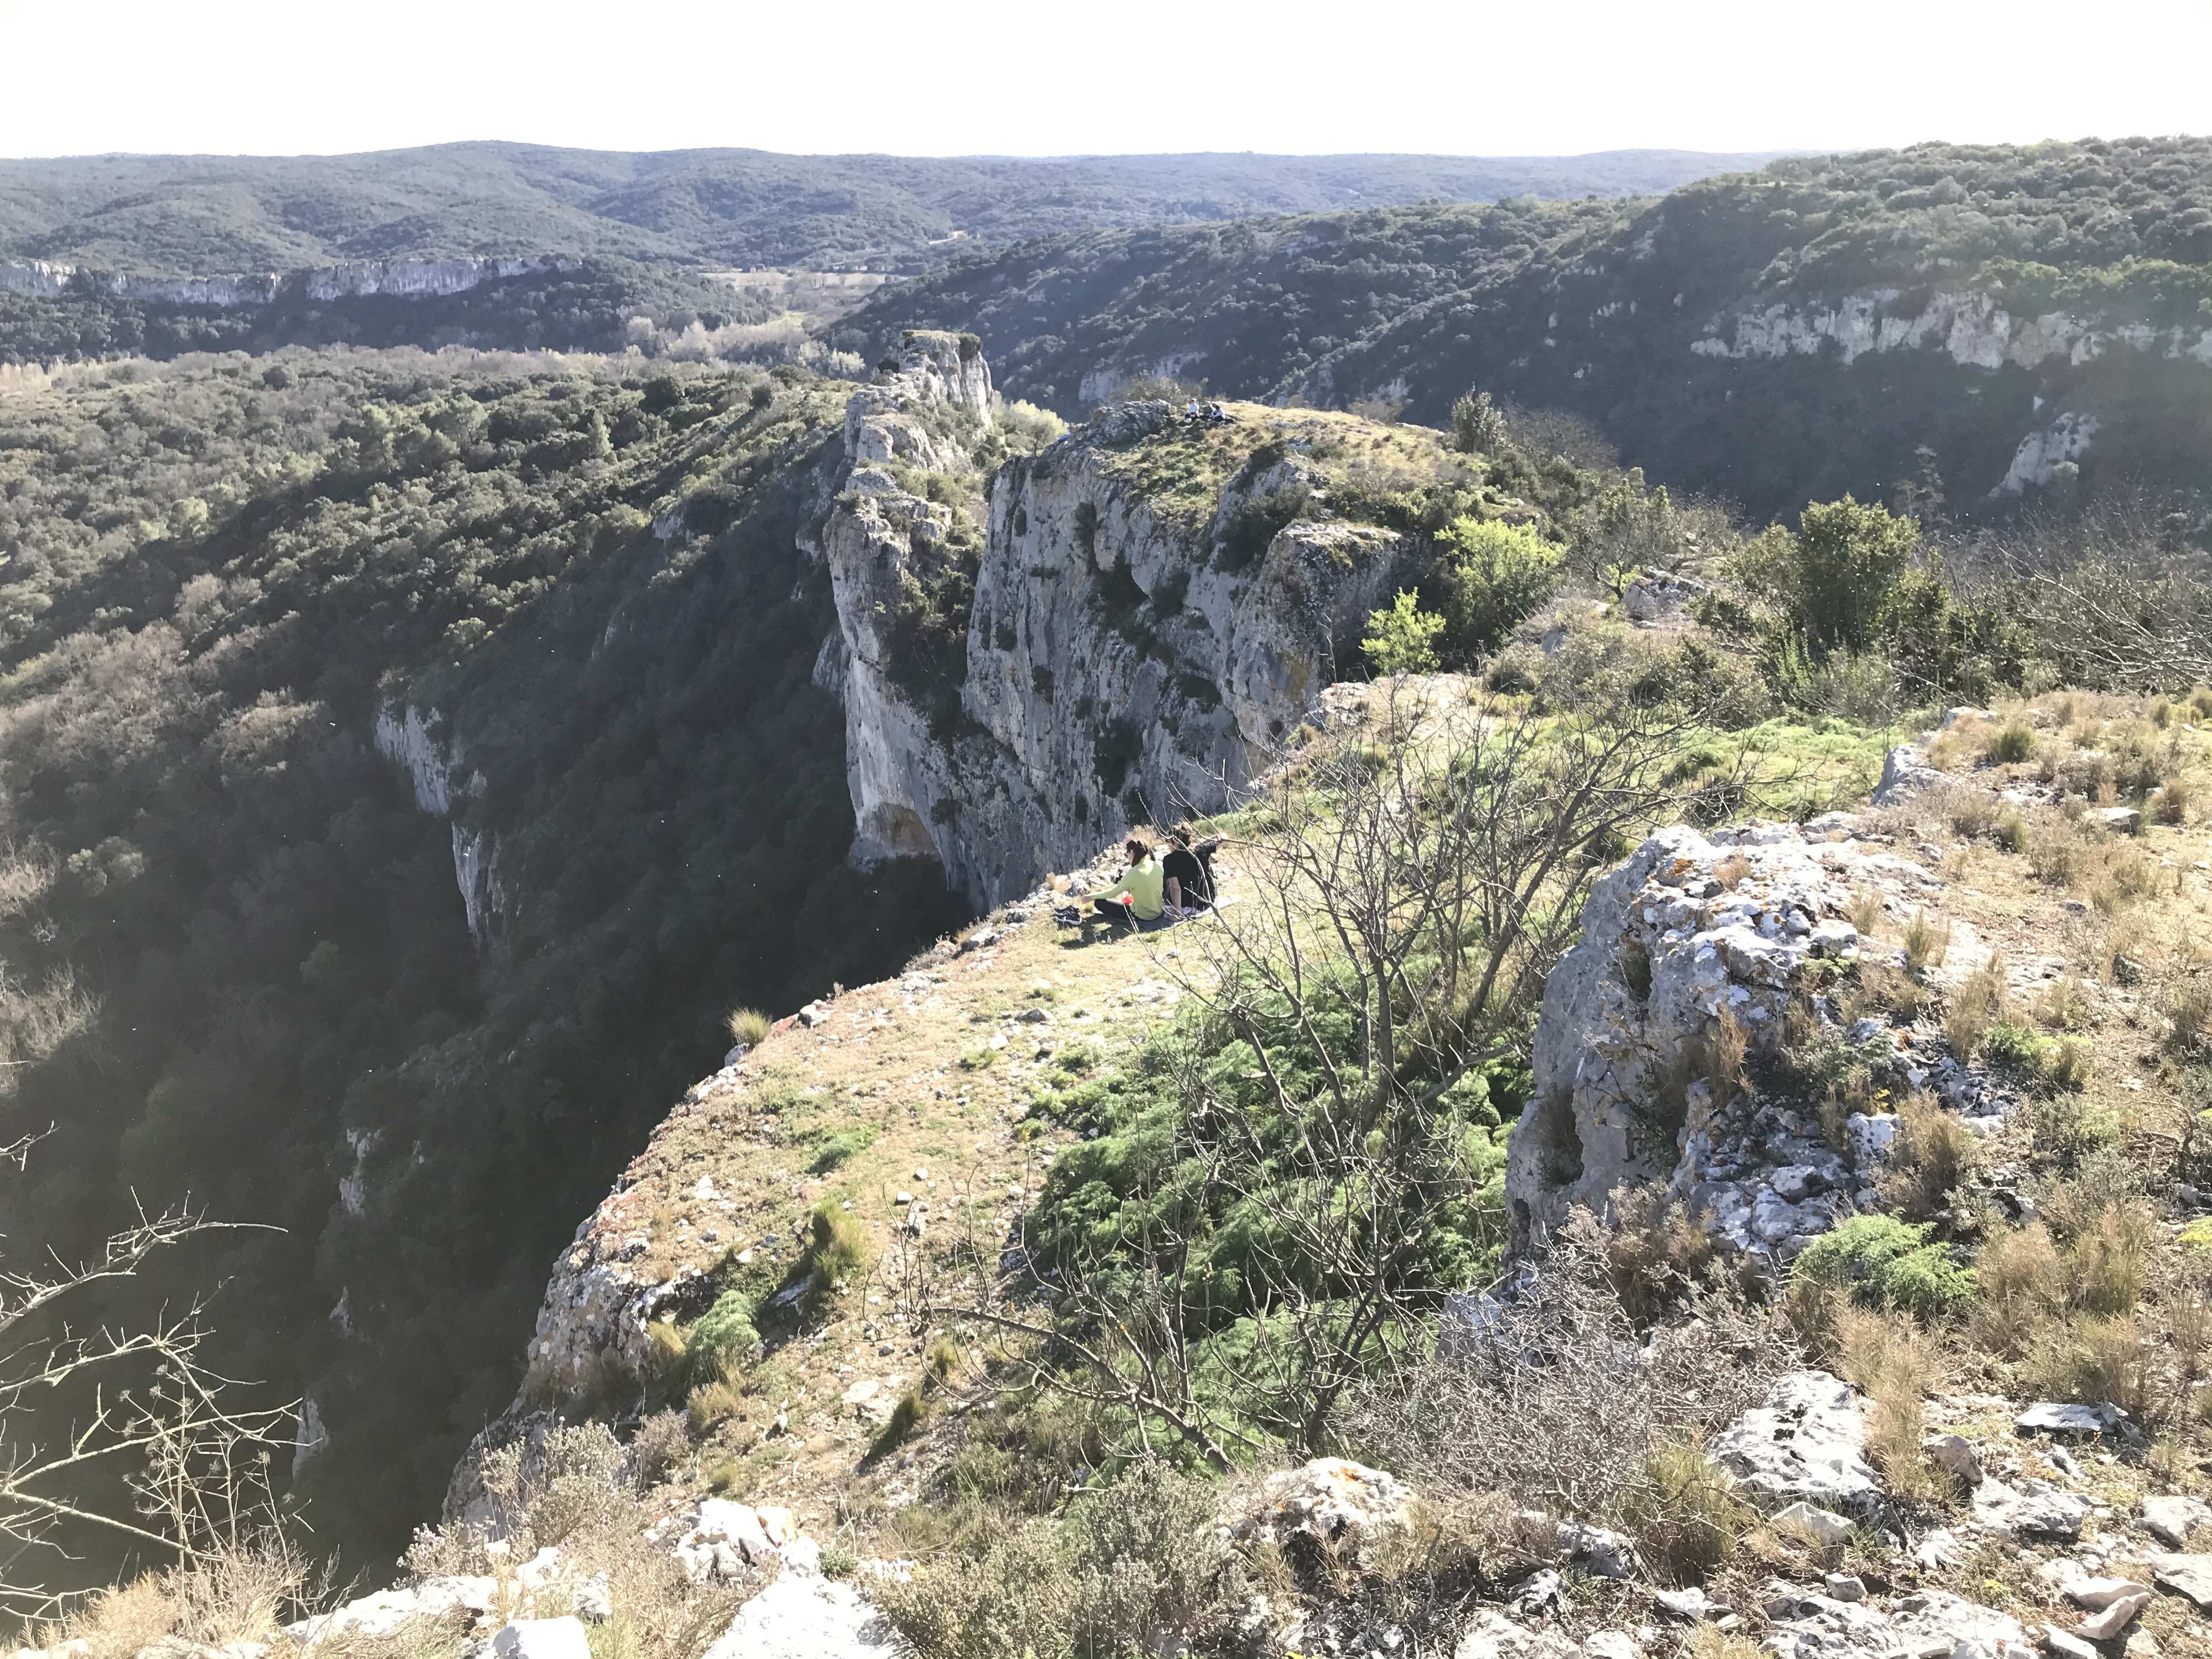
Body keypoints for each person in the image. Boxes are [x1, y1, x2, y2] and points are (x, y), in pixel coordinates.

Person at [1092, 835, 1165, 928]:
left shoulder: (1134, 872)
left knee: (1099, 902)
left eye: (1127, 855)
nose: (1127, 858)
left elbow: (1112, 893)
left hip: (1142, 916)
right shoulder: (1155, 866)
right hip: (1158, 912)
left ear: (1132, 853)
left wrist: (1091, 897)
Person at [1162, 821, 1223, 915]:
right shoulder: (1200, 852)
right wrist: (1200, 846)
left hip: (1186, 903)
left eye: (1169, 842)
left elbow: (1176, 888)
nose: (1168, 846)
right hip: (1207, 901)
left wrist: (1177, 912)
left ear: (1176, 845)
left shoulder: (1169, 860)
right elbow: (1222, 836)